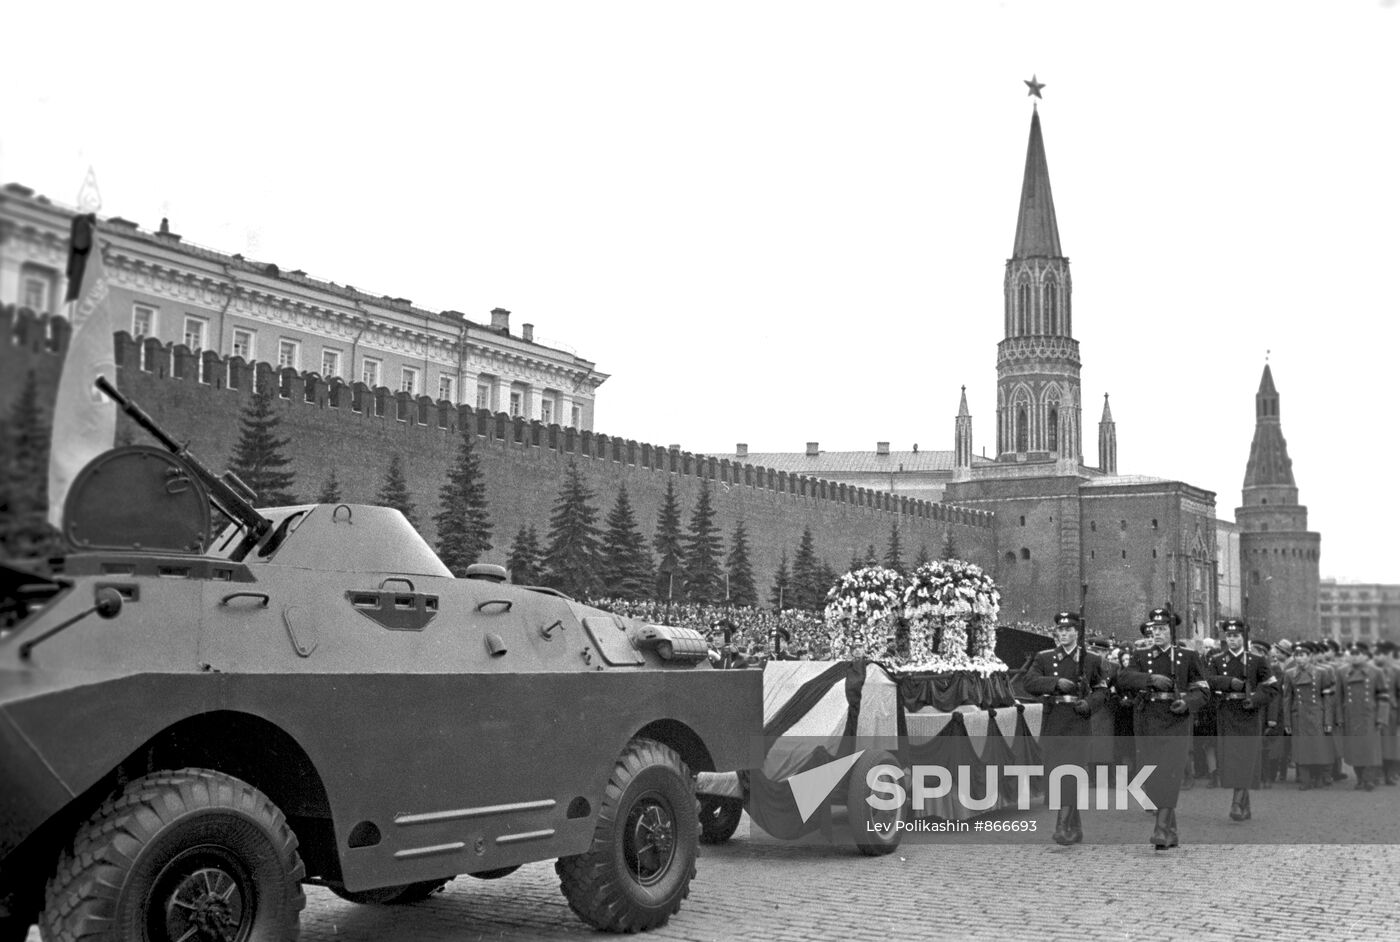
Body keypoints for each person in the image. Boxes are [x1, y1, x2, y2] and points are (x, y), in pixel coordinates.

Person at [1116, 607, 1209, 850]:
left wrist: (1187, 703)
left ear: (1171, 631)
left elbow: (1203, 689)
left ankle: (1161, 827)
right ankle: (1171, 830)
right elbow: (1123, 679)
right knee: (1152, 773)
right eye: (1154, 629)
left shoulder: (1188, 657)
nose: (1157, 633)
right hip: (1148, 719)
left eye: (1162, 629)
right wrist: (1149, 680)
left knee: (1170, 771)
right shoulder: (1141, 655)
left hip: (1176, 718)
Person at [1023, 611, 1108, 845]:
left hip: (1077, 721)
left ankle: (1062, 826)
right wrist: (1054, 683)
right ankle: (1076, 826)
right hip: (1054, 721)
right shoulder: (1044, 658)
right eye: (1060, 630)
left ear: (1077, 633)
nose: (1064, 634)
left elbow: (1102, 690)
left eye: (1068, 630)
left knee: (1070, 774)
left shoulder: (1091, 660)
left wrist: (1089, 704)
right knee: (1056, 774)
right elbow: (1028, 683)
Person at [1205, 619, 1277, 820]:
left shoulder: (1256, 660)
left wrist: (1255, 700)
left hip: (1249, 714)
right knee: (1231, 758)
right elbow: (1208, 680)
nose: (1232, 639)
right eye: (1229, 636)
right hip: (1227, 712)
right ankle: (1244, 804)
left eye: (1236, 636)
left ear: (1243, 638)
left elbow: (1271, 687)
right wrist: (1230, 682)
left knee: (1246, 757)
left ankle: (1237, 803)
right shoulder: (1217, 660)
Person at [1337, 642, 1391, 791]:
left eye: (1357, 654)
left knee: (1370, 749)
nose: (1354, 657)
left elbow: (1383, 696)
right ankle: (1360, 778)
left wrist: (1381, 718)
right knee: (1355, 750)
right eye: (1352, 654)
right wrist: (1339, 718)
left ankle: (1369, 780)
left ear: (1365, 656)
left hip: (1369, 717)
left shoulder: (1376, 671)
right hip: (1351, 717)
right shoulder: (1342, 672)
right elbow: (1338, 698)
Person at [1284, 642, 1336, 790]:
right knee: (1302, 748)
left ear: (1310, 657)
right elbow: (1287, 699)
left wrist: (1327, 720)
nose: (1299, 659)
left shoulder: (1321, 673)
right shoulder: (1289, 674)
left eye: (1302, 655)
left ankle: (1319, 777)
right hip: (1299, 716)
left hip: (1316, 715)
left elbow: (1327, 698)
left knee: (1318, 747)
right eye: (1297, 656)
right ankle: (1305, 780)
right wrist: (1287, 722)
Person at [1377, 642, 1400, 785]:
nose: (1380, 657)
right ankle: (1378, 772)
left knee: (1391, 743)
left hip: (1391, 712)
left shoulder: (1396, 671)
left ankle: (1390, 774)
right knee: (1377, 743)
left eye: (1383, 654)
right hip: (1375, 711)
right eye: (1378, 654)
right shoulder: (1371, 670)